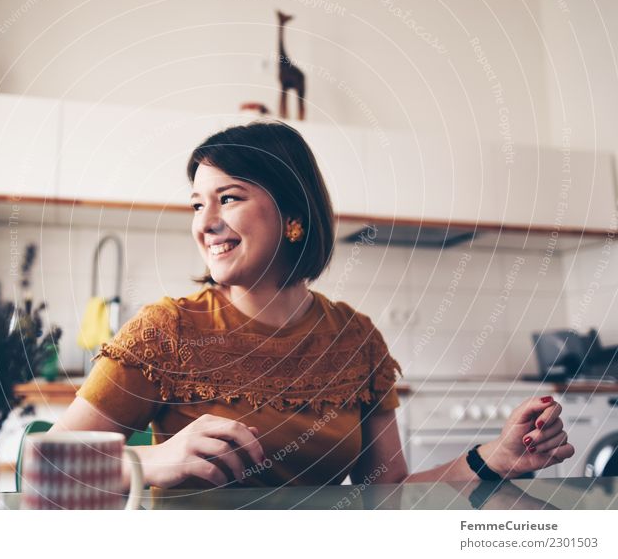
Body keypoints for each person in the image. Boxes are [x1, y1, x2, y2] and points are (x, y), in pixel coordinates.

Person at [51, 121, 574, 490]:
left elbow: (386, 492)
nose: (204, 221)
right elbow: (45, 465)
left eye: (227, 198)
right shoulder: (167, 330)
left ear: (292, 213)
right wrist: (152, 460)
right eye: (197, 203)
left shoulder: (355, 339)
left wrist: (494, 459)